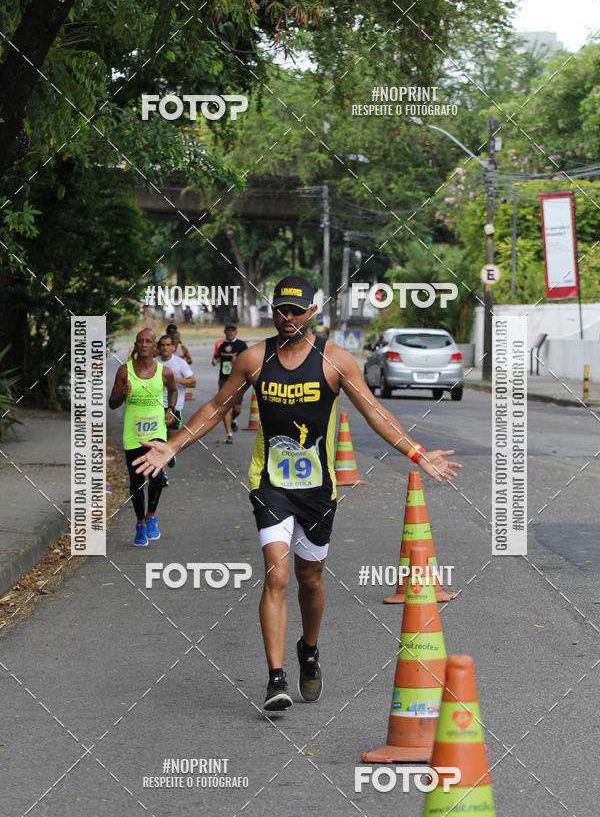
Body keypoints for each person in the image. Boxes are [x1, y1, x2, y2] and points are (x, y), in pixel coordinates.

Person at [132, 275, 461, 710]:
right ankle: (275, 678)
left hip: (318, 489)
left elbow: (375, 412)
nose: (287, 318)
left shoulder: (335, 361)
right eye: (280, 310)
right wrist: (172, 445)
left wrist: (418, 454)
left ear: (312, 313)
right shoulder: (254, 358)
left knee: (310, 579)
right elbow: (216, 406)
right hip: (270, 485)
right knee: (278, 575)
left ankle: (309, 649)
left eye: (296, 310)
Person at [109, 328, 177, 546]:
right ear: (136, 345)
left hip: (157, 432)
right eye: (141, 341)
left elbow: (173, 390)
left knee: (156, 477)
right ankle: (140, 523)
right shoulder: (124, 371)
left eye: (149, 341)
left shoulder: (164, 372)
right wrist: (122, 394)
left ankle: (151, 516)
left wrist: (170, 409)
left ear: (154, 346)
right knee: (136, 483)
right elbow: (112, 403)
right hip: (133, 436)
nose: (145, 344)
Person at [157, 333, 196, 471]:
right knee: (158, 441)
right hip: (155, 407)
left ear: (173, 347)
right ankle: (162, 474)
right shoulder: (154, 362)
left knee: (169, 442)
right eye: (162, 345)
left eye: (168, 345)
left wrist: (174, 379)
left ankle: (171, 454)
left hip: (175, 407)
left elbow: (193, 382)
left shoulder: (180, 363)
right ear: (158, 347)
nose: (165, 348)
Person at [211, 323, 248, 443]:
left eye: (233, 330)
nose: (230, 332)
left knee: (237, 409)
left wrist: (238, 361)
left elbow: (247, 362)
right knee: (224, 407)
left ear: (236, 332)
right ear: (225, 332)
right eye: (228, 330)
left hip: (237, 380)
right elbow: (216, 356)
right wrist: (215, 360)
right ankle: (229, 434)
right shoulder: (220, 344)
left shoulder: (241, 345)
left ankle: (233, 420)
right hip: (224, 380)